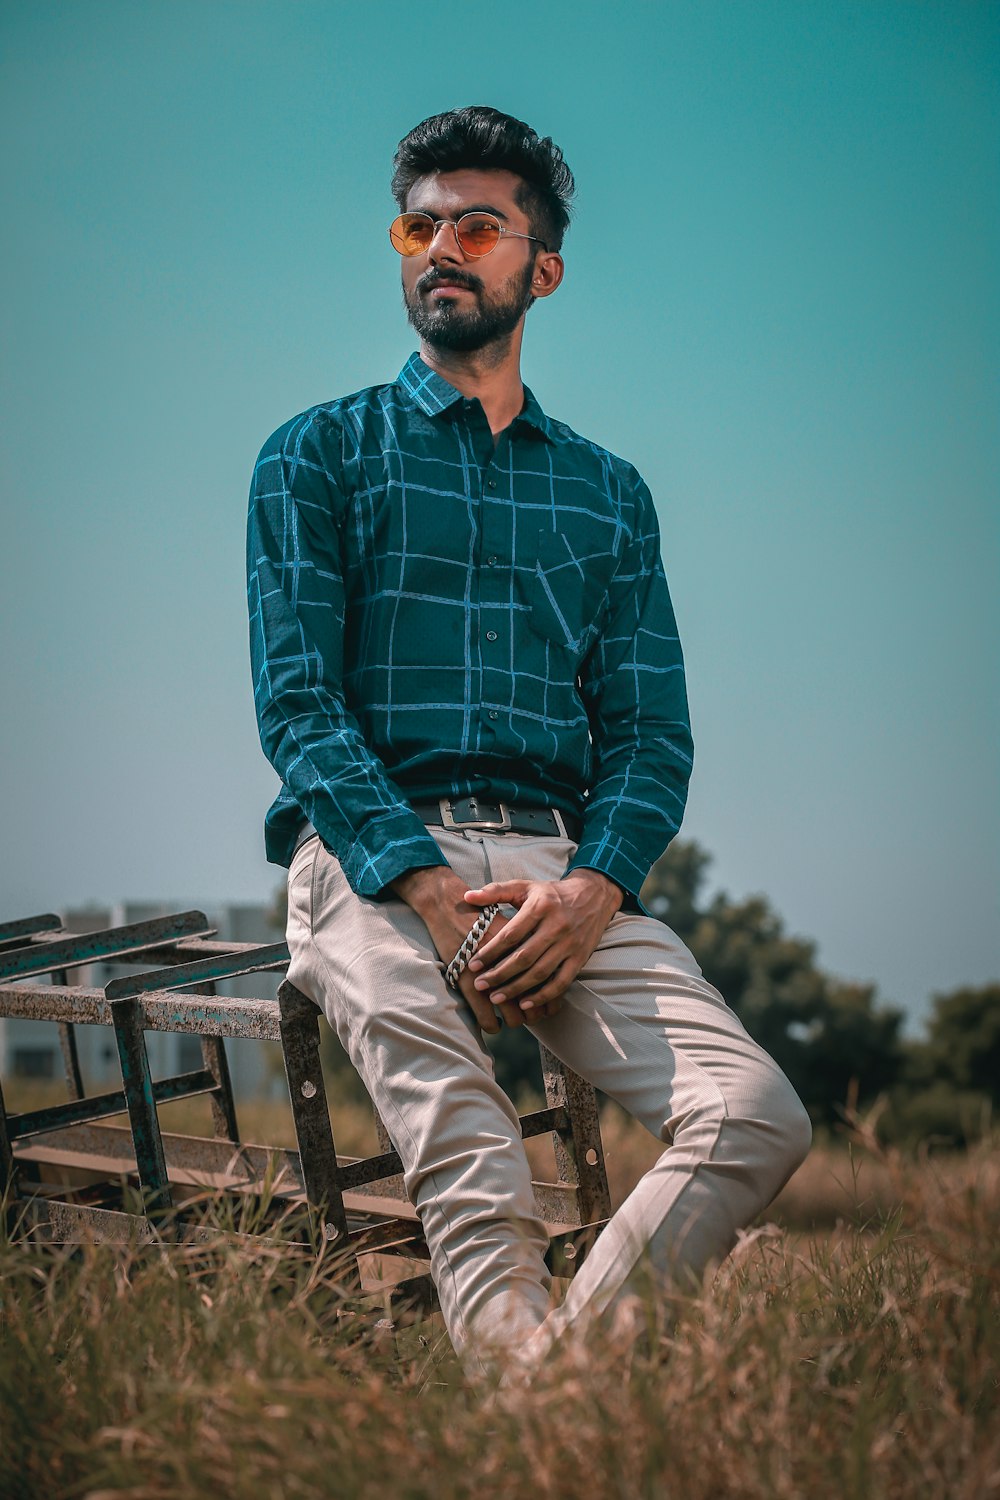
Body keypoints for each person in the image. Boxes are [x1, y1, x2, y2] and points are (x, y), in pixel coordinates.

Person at [247, 105, 811, 1378]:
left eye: (477, 225)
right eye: (419, 223)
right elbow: (298, 705)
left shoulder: (609, 495)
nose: (440, 246)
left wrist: (592, 889)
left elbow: (652, 737)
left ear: (540, 268)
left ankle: (536, 1414)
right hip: (371, 862)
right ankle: (563, 1436)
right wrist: (433, 892)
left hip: (560, 875)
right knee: (482, 1167)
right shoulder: (316, 456)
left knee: (755, 1114)